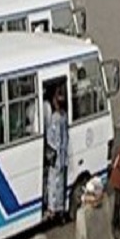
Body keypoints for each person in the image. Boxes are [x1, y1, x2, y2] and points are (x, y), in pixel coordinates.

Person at [44, 85, 69, 218]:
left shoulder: (55, 118)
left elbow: (55, 140)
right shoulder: (64, 115)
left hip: (56, 157)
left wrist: (52, 153)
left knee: (53, 183)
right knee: (60, 184)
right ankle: (60, 208)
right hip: (63, 157)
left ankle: (53, 209)